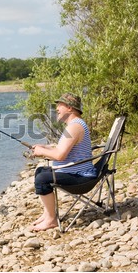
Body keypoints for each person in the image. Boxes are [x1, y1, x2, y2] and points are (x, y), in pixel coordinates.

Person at [30, 93, 97, 231]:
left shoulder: (74, 127)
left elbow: (60, 155)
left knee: (42, 179)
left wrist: (41, 152)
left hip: (81, 177)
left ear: (70, 108)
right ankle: (48, 213)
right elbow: (62, 148)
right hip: (76, 171)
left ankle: (51, 220)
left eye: (60, 105)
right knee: (41, 171)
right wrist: (45, 147)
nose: (57, 109)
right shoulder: (74, 124)